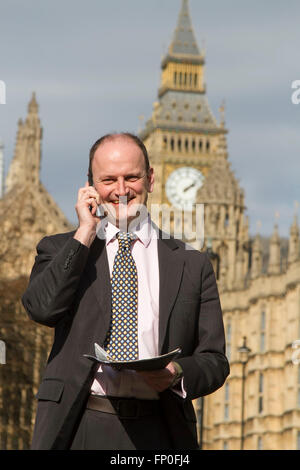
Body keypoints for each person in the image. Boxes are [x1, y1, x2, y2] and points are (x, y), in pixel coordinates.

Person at [22, 133, 229, 450]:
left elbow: (215, 360)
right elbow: (42, 308)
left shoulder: (192, 263)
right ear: (90, 185)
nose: (121, 190)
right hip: (81, 424)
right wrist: (85, 232)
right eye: (108, 180)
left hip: (160, 428)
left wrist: (176, 372)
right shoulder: (62, 249)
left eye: (131, 177)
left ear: (150, 179)